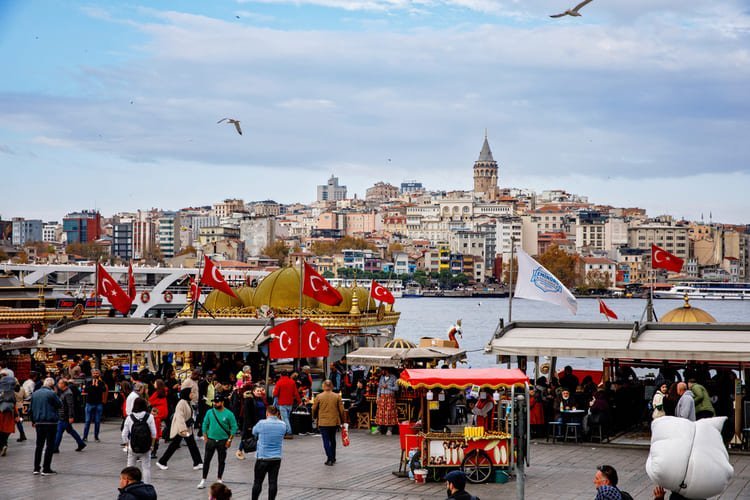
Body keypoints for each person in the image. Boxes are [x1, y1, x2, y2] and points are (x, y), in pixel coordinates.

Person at [156, 387, 203, 471]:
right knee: (179, 446)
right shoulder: (181, 403)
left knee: (188, 445)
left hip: (186, 428)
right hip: (182, 429)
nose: (192, 394)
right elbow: (179, 417)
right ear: (187, 394)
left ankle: (198, 463)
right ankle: (162, 462)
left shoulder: (187, 402)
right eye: (191, 393)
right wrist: (183, 430)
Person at [198, 394, 238, 489]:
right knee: (207, 460)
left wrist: (229, 440)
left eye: (217, 402)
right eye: (214, 402)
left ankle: (219, 478)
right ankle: (203, 479)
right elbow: (205, 424)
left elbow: (234, 427)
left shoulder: (229, 414)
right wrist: (205, 436)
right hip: (211, 439)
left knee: (221, 460)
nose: (215, 404)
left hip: (223, 440)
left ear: (222, 402)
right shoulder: (210, 412)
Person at [251, 405, 287, 500]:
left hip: (262, 457)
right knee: (273, 482)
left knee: (258, 482)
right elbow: (284, 432)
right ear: (277, 414)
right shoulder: (283, 424)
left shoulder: (262, 423)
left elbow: (254, 432)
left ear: (267, 413)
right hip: (276, 457)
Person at [30, 377, 62, 475]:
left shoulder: (35, 394)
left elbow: (31, 409)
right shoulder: (51, 393)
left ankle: (36, 468)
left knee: (39, 445)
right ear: (52, 385)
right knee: (49, 445)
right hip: (50, 422)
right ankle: (46, 468)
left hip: (39, 422)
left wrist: (33, 420)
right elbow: (59, 404)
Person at [122, 397, 157, 484]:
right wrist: (152, 445)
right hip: (146, 447)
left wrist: (127, 444)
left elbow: (124, 434)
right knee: (146, 468)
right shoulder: (150, 417)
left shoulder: (130, 418)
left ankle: (129, 485)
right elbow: (154, 433)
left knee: (130, 467)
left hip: (132, 447)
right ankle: (146, 486)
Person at [312, 379, 345, 466]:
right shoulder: (337, 396)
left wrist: (314, 416)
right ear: (332, 386)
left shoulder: (319, 396)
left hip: (323, 422)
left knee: (326, 440)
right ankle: (333, 457)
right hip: (334, 422)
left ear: (323, 386)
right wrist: (343, 420)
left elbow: (314, 409)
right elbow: (342, 410)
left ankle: (329, 458)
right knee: (333, 439)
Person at [53, 378, 86, 453]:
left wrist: (71, 416)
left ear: (63, 384)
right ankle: (81, 443)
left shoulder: (68, 393)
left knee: (59, 431)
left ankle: (55, 447)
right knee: (70, 430)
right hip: (62, 414)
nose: (58, 384)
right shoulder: (63, 392)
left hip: (65, 415)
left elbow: (70, 405)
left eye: (59, 383)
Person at [272, 370, 300, 439]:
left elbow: (275, 393)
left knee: (285, 418)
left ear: (281, 375)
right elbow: (296, 393)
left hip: (282, 402)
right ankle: (286, 431)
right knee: (287, 417)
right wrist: (299, 401)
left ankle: (289, 432)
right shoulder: (292, 382)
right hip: (290, 403)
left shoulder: (279, 382)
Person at [82, 368, 107, 442]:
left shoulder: (101, 382)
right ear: (92, 374)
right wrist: (93, 386)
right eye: (94, 373)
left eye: (97, 373)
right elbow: (86, 390)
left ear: (99, 374)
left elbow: (104, 390)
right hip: (89, 403)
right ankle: (85, 437)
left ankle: (96, 437)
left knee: (97, 421)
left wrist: (97, 386)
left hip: (98, 403)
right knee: (87, 421)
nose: (95, 374)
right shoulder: (88, 382)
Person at [148, 379, 169, 459]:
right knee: (156, 431)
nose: (154, 384)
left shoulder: (157, 393)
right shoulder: (164, 392)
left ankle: (153, 451)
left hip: (157, 414)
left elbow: (150, 401)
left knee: (154, 432)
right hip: (162, 413)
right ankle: (154, 450)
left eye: (155, 383)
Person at [375, 368, 399, 435]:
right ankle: (378, 429)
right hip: (382, 397)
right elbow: (379, 388)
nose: (382, 371)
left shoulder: (394, 377)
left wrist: (387, 386)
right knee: (380, 413)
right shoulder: (382, 378)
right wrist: (377, 397)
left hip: (390, 398)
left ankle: (389, 430)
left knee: (390, 413)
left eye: (383, 370)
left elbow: (397, 388)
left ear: (387, 370)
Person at [0, 370, 18, 456]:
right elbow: (14, 403)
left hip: (1, 411)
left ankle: (2, 445)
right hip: (9, 412)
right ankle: (4, 444)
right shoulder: (11, 392)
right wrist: (17, 415)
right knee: (6, 430)